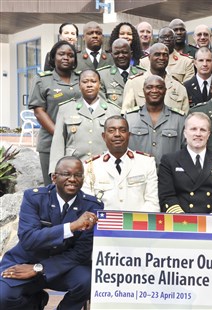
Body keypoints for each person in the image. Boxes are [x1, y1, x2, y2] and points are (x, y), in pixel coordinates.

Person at [0, 156, 102, 310]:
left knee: (86, 281)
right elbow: (28, 239)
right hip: (25, 261)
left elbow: (81, 252)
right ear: (54, 178)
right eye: (66, 174)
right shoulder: (34, 197)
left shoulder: (92, 206)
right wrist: (72, 226)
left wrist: (38, 268)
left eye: (78, 175)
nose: (72, 179)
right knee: (3, 296)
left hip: (63, 267)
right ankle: (35, 302)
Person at [49, 69, 121, 174]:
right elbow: (58, 143)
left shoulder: (114, 110)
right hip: (73, 169)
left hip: (105, 168)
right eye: (85, 81)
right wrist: (54, 171)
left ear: (99, 84)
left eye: (93, 81)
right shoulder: (66, 109)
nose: (89, 85)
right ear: (79, 85)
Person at [158, 112, 212, 214]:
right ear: (185, 133)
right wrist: (184, 219)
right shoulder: (170, 161)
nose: (198, 134)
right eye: (193, 129)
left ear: (208, 134)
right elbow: (167, 196)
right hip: (181, 221)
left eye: (203, 130)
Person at [82, 116, 159, 212]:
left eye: (122, 130)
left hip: (138, 223)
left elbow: (152, 202)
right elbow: (87, 205)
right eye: (111, 131)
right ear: (103, 136)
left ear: (129, 135)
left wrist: (137, 223)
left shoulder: (146, 163)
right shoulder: (91, 166)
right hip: (103, 225)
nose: (117, 134)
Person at [30, 41, 80, 185]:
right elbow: (39, 112)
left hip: (78, 142)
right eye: (61, 54)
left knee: (77, 184)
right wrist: (60, 135)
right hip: (50, 142)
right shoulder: (42, 80)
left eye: (70, 55)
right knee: (53, 186)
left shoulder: (82, 78)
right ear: (53, 58)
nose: (66, 57)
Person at [125, 75, 185, 166]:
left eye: (159, 87)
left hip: (170, 176)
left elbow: (186, 151)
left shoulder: (179, 119)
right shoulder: (130, 118)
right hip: (138, 174)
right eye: (149, 87)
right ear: (143, 90)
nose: (154, 91)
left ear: (165, 91)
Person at [122, 43, 189, 114]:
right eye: (157, 54)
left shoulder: (179, 87)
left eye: (165, 55)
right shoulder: (134, 83)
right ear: (149, 57)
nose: (161, 58)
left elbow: (185, 118)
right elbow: (126, 115)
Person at [98, 39, 146, 107]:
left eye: (124, 52)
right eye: (117, 53)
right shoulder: (102, 76)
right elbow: (102, 105)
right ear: (112, 55)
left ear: (131, 54)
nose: (121, 56)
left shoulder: (143, 74)